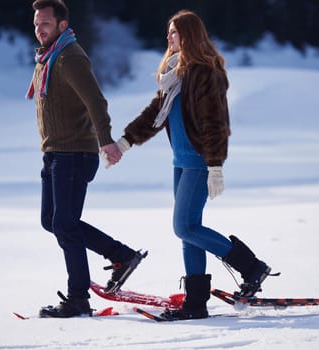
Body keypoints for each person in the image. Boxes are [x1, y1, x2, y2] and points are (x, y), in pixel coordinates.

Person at [110, 10, 273, 320]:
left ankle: (251, 267)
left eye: (174, 32)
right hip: (181, 162)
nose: (169, 38)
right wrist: (125, 141)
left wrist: (215, 166)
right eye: (168, 33)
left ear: (189, 35)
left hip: (198, 162)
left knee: (183, 226)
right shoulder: (176, 75)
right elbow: (153, 114)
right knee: (190, 231)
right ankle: (195, 303)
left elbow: (215, 123)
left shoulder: (205, 72)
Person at [26, 0, 146, 318]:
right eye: (37, 23)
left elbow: (96, 101)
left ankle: (78, 298)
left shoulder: (70, 57)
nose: (40, 29)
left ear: (62, 25)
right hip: (54, 153)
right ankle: (121, 255)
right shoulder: (47, 58)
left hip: (74, 153)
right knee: (52, 220)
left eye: (46, 23)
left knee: (64, 223)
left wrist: (105, 141)